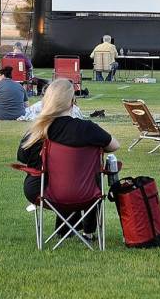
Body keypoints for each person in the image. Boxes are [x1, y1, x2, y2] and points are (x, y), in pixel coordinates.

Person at [17, 79, 120, 239]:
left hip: (41, 191)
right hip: (85, 192)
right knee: (89, 177)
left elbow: (22, 157)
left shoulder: (37, 131)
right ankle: (88, 231)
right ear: (72, 102)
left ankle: (66, 228)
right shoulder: (87, 129)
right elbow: (114, 145)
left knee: (66, 180)